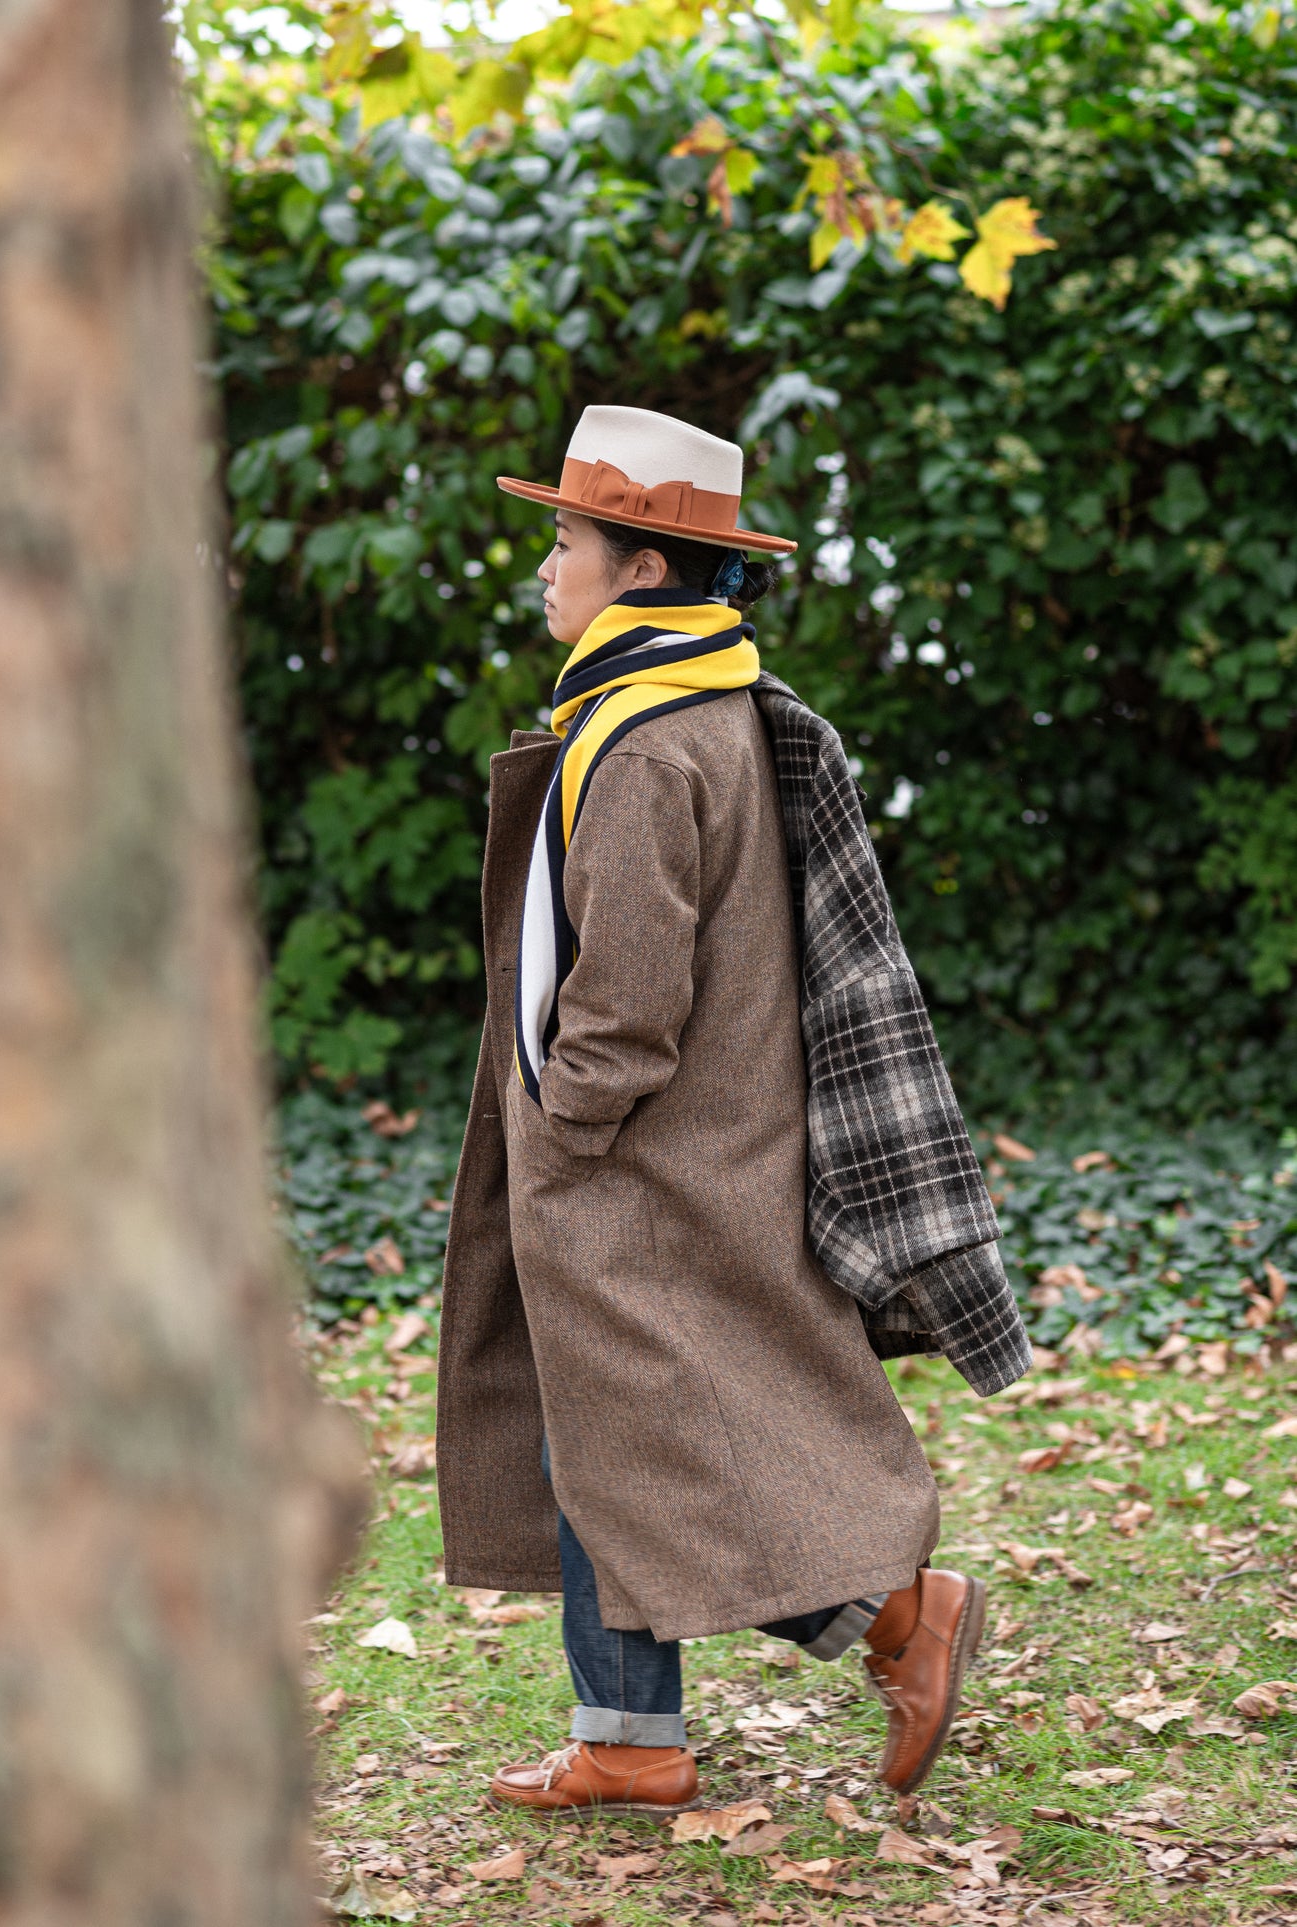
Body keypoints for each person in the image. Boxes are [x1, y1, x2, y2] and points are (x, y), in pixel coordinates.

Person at [435, 405, 1031, 1816]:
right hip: (691, 1144)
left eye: (566, 540)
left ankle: (895, 1616)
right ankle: (633, 1737)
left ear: (640, 569)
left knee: (646, 1449)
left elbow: (630, 997)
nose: (545, 567)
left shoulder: (645, 745)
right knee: (613, 1439)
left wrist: (566, 1126)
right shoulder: (702, 703)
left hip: (645, 1161)